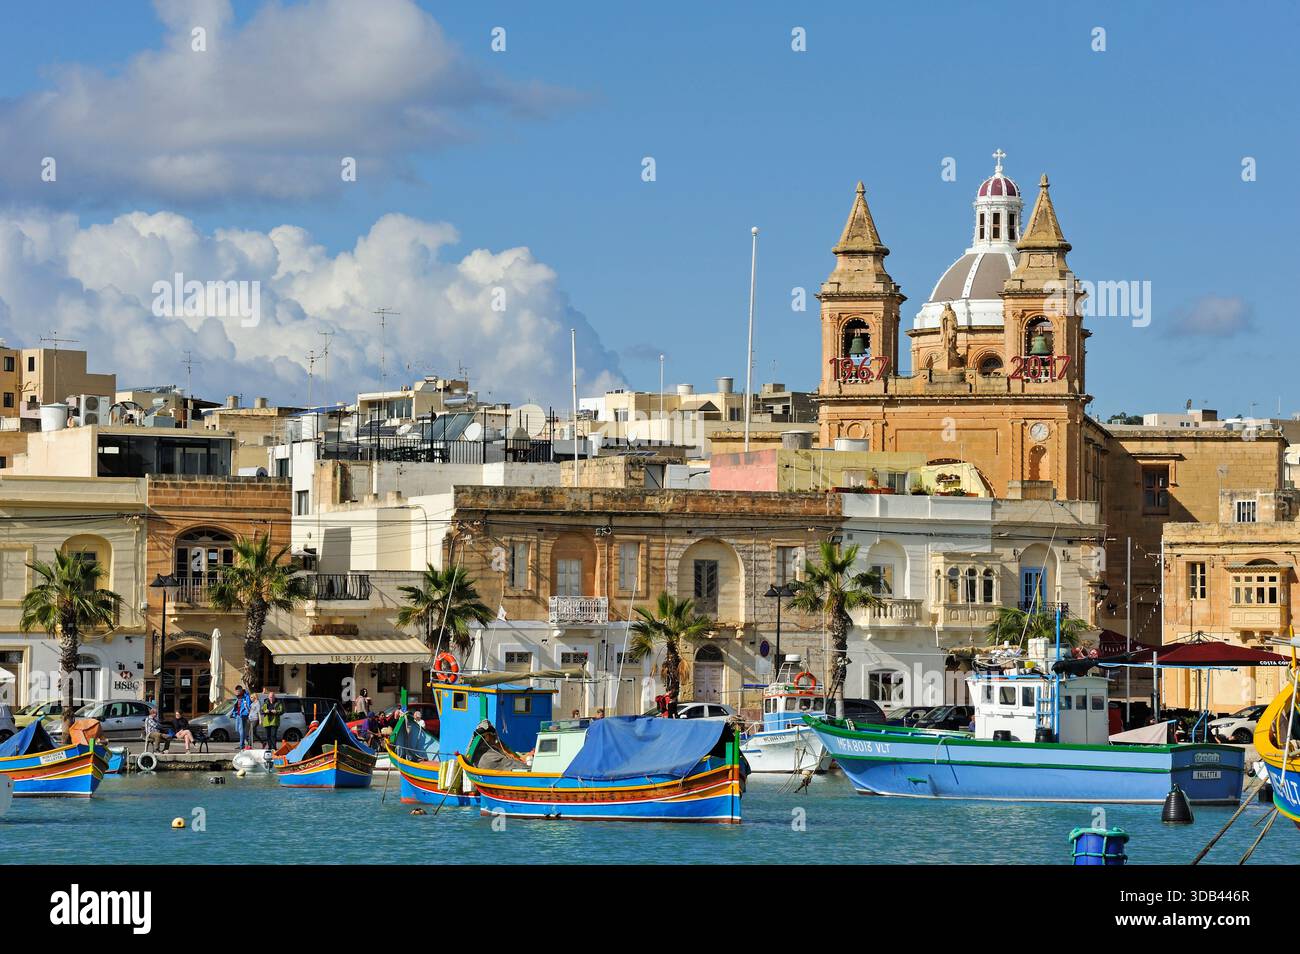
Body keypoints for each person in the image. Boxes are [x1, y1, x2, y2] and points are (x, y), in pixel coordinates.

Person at [232, 686, 252, 750]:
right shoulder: (237, 697)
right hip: (237, 715)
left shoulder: (246, 697)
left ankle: (241, 745)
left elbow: (248, 706)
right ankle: (246, 742)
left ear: (241, 690)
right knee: (237, 729)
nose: (237, 692)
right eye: (236, 691)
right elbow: (236, 706)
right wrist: (234, 713)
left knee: (241, 730)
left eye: (238, 691)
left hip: (243, 715)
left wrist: (245, 713)